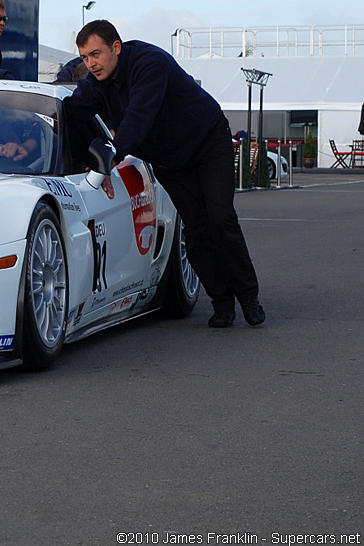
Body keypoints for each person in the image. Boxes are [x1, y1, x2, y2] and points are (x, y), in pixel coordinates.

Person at [65, 19, 265, 328]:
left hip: (207, 141)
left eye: (96, 54)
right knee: (196, 229)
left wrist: (107, 162)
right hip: (170, 161)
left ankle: (249, 298)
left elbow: (138, 118)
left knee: (220, 217)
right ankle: (222, 301)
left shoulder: (150, 63)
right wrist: (80, 159)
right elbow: (73, 115)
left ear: (116, 47)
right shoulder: (95, 83)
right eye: (84, 57)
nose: (91, 64)